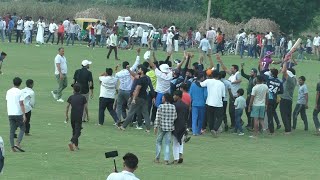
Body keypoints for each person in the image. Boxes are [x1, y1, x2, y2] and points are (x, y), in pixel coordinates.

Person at [119, 65, 152, 132]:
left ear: (142, 71)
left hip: (138, 98)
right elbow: (135, 75)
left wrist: (134, 99)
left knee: (131, 112)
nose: (138, 70)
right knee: (146, 113)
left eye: (139, 69)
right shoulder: (147, 78)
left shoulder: (140, 80)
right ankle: (148, 129)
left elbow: (137, 89)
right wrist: (129, 70)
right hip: (144, 98)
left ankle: (123, 126)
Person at [115, 49, 140, 123]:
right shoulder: (130, 70)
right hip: (128, 91)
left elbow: (115, 82)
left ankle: (118, 120)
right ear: (127, 66)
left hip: (121, 90)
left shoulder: (118, 73)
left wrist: (116, 89)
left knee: (119, 106)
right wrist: (138, 54)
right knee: (130, 106)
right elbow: (137, 63)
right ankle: (130, 120)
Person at [198, 68, 225, 137]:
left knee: (210, 117)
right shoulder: (221, 84)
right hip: (218, 103)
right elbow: (223, 96)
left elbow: (200, 85)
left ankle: (211, 129)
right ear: (218, 76)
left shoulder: (208, 81)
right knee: (220, 117)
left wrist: (196, 80)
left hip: (209, 102)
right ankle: (215, 129)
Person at [218, 56, 242, 129]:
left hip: (235, 95)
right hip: (231, 95)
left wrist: (231, 82)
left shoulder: (237, 73)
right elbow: (225, 69)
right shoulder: (232, 75)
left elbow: (240, 80)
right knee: (231, 111)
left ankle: (235, 124)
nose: (230, 69)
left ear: (235, 69)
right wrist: (220, 61)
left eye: (232, 68)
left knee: (232, 111)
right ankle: (235, 123)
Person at [154, 93, 176, 165]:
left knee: (158, 142)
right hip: (169, 128)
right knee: (167, 144)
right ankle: (166, 160)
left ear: (165, 98)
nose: (162, 98)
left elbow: (158, 117)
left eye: (163, 97)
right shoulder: (173, 107)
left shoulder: (161, 106)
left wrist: (156, 126)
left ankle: (157, 158)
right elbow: (175, 117)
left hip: (161, 127)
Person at [6, 77, 26, 152]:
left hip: (10, 113)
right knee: (22, 127)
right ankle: (17, 143)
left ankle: (12, 147)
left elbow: (8, 101)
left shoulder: (8, 91)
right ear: (20, 84)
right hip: (18, 113)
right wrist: (24, 114)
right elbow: (21, 104)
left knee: (12, 130)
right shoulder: (20, 92)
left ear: (13, 82)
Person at [66, 83, 87, 151]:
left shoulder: (71, 97)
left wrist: (66, 115)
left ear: (73, 90)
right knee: (78, 131)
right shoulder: (83, 97)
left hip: (72, 116)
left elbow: (67, 106)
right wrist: (87, 115)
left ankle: (76, 146)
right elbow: (85, 107)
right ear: (80, 90)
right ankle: (71, 142)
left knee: (74, 131)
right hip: (79, 116)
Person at [280, 56, 297, 134]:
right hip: (289, 99)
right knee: (288, 114)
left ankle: (287, 130)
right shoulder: (294, 80)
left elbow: (283, 71)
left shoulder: (290, 79)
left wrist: (285, 61)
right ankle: (288, 128)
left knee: (284, 114)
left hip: (284, 99)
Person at [172, 90, 189, 164]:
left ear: (178, 96)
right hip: (183, 125)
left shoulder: (174, 105)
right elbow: (187, 117)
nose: (173, 97)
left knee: (175, 142)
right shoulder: (186, 105)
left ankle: (176, 159)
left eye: (174, 95)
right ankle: (180, 155)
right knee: (181, 141)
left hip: (176, 124)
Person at [265, 69, 283, 135]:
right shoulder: (280, 81)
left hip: (269, 99)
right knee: (271, 113)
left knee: (269, 115)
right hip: (275, 99)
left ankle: (271, 131)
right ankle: (271, 128)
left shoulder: (269, 79)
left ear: (272, 74)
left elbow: (262, 73)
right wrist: (275, 92)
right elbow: (282, 91)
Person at [240, 63, 257, 128]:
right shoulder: (250, 77)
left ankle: (251, 124)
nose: (250, 72)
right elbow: (243, 74)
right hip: (248, 96)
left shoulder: (256, 79)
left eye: (252, 72)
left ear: (255, 73)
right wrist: (242, 67)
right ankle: (249, 123)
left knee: (250, 110)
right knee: (247, 110)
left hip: (252, 97)